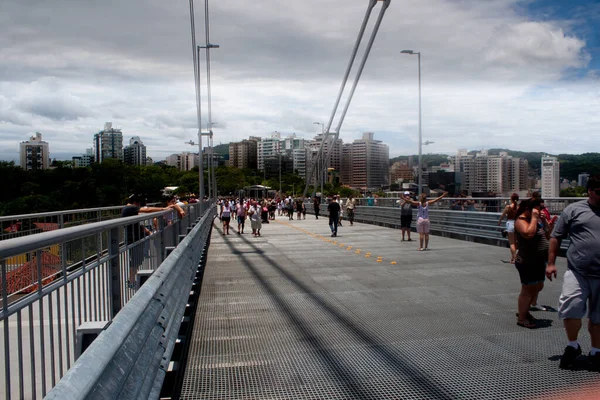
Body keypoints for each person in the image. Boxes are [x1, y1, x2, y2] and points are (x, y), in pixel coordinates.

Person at [546, 175, 600, 370]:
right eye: (598, 192)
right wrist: (551, 263)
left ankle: (596, 351)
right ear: (589, 191)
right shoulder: (574, 209)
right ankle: (573, 345)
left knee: (598, 317)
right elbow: (556, 236)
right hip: (578, 271)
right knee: (571, 308)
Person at [513, 198, 553, 329]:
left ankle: (525, 311)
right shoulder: (521, 221)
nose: (540, 211)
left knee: (538, 286)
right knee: (528, 289)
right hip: (526, 261)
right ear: (528, 209)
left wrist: (546, 223)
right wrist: (535, 219)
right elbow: (528, 233)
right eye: (537, 209)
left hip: (538, 260)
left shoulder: (536, 220)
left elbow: (547, 236)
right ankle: (522, 317)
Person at [122, 194, 168, 289]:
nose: (139, 207)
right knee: (135, 259)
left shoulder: (128, 209)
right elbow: (147, 210)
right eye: (139, 205)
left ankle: (131, 279)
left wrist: (146, 231)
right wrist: (163, 209)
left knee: (138, 259)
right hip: (133, 238)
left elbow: (136, 224)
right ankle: (131, 280)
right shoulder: (130, 208)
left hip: (136, 237)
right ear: (135, 203)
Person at [498, 193, 519, 263]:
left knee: (511, 243)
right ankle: (513, 258)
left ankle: (514, 258)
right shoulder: (518, 207)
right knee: (515, 242)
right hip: (517, 224)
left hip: (510, 224)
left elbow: (503, 215)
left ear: (511, 199)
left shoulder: (508, 207)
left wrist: (500, 221)